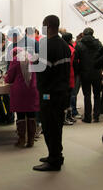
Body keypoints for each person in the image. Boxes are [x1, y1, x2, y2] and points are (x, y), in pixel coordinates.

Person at [33, 15, 71, 172]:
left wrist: (33, 62)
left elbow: (43, 71)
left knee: (49, 127)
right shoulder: (64, 44)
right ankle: (55, 155)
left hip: (49, 93)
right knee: (56, 126)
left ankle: (54, 160)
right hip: (61, 91)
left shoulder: (47, 46)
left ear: (47, 26)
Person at [5, 47, 39, 148]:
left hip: (20, 90)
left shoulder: (15, 60)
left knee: (20, 115)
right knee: (31, 114)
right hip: (32, 89)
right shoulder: (31, 58)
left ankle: (22, 139)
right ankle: (31, 140)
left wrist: (5, 78)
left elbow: (10, 78)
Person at [73, 27, 103, 123]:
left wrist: (77, 71)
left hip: (85, 72)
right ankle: (96, 116)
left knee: (87, 95)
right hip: (97, 72)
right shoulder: (98, 43)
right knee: (97, 95)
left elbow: (75, 60)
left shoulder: (79, 44)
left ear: (84, 34)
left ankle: (87, 117)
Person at [61, 32, 76, 125]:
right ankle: (65, 117)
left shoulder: (62, 48)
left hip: (66, 75)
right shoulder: (70, 49)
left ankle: (67, 116)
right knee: (67, 97)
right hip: (69, 75)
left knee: (66, 97)